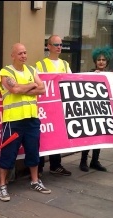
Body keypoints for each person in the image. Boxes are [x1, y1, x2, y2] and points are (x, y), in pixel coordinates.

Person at [0, 42, 51, 202]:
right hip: (13, 120)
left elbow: (42, 89)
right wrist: (32, 85)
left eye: (25, 53)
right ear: (12, 55)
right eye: (20, 53)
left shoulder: (32, 70)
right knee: (8, 153)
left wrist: (26, 87)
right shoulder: (5, 72)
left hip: (32, 119)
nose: (24, 56)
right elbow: (15, 90)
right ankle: (2, 186)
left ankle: (35, 181)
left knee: (33, 151)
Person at [35, 35, 72, 176]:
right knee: (43, 136)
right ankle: (38, 168)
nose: (59, 47)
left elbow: (71, 81)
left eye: (61, 44)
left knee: (56, 135)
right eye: (56, 44)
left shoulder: (65, 64)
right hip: (45, 106)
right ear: (48, 46)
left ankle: (55, 165)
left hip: (58, 106)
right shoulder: (40, 65)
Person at [79, 46, 113, 172]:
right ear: (95, 61)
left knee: (99, 136)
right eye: (99, 59)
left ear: (107, 62)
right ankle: (83, 161)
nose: (101, 61)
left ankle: (95, 161)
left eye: (104, 60)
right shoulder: (89, 74)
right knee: (88, 136)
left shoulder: (111, 75)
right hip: (90, 110)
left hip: (102, 110)